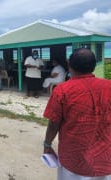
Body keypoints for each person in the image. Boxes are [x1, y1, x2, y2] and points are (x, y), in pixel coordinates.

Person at [43, 48, 111, 180]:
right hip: (105, 159)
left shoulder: (62, 90)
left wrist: (47, 144)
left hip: (73, 160)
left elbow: (53, 124)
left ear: (69, 65)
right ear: (94, 65)